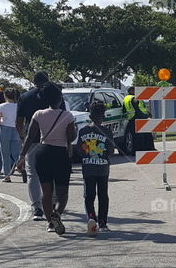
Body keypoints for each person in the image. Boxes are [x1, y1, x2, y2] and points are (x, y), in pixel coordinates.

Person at [15, 82, 76, 235]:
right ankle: (57, 214)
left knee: (46, 191)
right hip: (60, 153)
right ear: (60, 99)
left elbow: (30, 136)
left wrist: (22, 156)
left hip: (43, 153)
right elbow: (71, 137)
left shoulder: (38, 114)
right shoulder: (67, 116)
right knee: (62, 193)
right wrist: (73, 129)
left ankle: (50, 222)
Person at [16, 72, 65, 220]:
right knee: (54, 173)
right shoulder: (55, 95)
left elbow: (19, 121)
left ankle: (37, 207)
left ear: (33, 81)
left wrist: (23, 137)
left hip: (33, 140)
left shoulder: (25, 97)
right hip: (54, 141)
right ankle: (54, 204)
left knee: (33, 175)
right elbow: (62, 115)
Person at [76, 101, 115, 234]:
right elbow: (110, 151)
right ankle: (103, 222)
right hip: (103, 168)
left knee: (89, 195)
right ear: (103, 115)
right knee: (103, 195)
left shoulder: (83, 131)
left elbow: (80, 150)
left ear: (90, 116)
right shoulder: (107, 131)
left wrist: (88, 153)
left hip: (88, 168)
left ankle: (91, 218)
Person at [0, 87, 21, 181]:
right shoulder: (19, 106)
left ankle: (7, 175)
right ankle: (21, 167)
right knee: (16, 153)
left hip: (5, 129)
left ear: (5, 96)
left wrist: (2, 120)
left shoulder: (1, 106)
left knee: (5, 153)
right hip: (17, 129)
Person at [122, 86, 154, 153]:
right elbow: (138, 110)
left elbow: (124, 110)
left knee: (134, 136)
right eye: (135, 90)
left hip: (131, 119)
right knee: (142, 135)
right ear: (131, 91)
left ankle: (135, 151)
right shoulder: (134, 98)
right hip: (138, 118)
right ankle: (145, 149)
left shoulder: (125, 98)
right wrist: (145, 115)